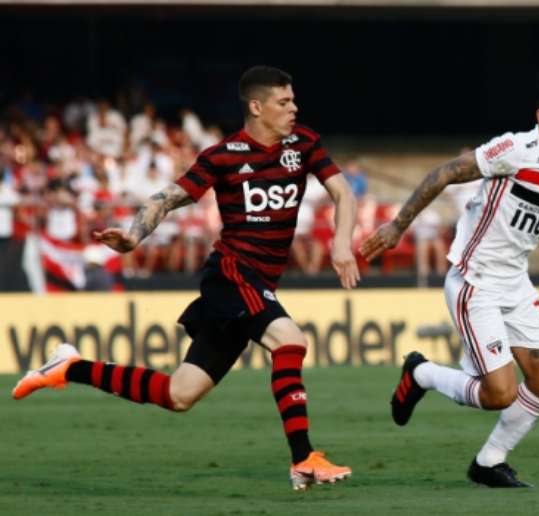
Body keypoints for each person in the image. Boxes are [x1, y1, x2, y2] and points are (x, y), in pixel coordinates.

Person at [12, 65, 360, 491]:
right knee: (290, 341)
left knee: (180, 394)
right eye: (284, 102)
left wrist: (342, 243)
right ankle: (304, 459)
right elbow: (168, 198)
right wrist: (134, 235)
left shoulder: (302, 143)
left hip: (256, 285)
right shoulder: (223, 155)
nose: (294, 108)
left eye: (293, 100)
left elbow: (342, 191)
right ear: (257, 106)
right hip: (232, 274)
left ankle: (71, 366)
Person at [360, 75, 539, 488]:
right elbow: (445, 173)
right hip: (475, 281)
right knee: (500, 394)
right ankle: (422, 375)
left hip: (516, 284)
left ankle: (489, 462)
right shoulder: (515, 149)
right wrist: (399, 226)